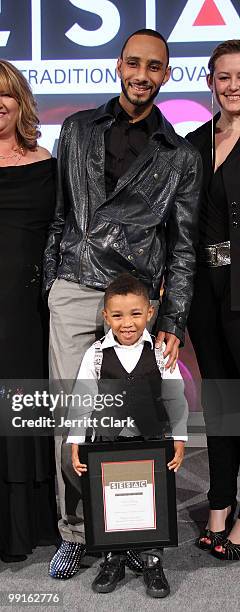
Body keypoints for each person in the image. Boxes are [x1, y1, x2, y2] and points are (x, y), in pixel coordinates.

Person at [44, 28, 202, 578]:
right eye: (133, 63)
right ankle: (74, 532)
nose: (142, 75)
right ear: (117, 65)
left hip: (135, 300)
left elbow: (184, 248)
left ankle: (134, 530)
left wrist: (173, 319)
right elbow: (61, 213)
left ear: (166, 74)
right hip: (72, 286)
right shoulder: (77, 128)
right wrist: (52, 281)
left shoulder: (179, 154)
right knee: (74, 416)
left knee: (140, 421)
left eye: (154, 66)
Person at [68, 273, 188, 598]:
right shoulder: (95, 355)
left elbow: (176, 398)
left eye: (135, 314)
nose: (127, 323)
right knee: (112, 501)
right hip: (109, 443)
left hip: (150, 440)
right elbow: (82, 400)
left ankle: (152, 560)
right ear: (105, 316)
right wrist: (75, 441)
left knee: (151, 501)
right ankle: (113, 558)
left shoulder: (161, 352)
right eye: (117, 315)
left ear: (149, 312)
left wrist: (179, 437)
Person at [0, 60, 58, 561]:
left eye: (5, 95)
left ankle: (28, 524)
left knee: (20, 406)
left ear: (20, 102)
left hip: (25, 308)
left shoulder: (46, 162)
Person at [186, 40, 240, 561]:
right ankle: (221, 503)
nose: (233, 85)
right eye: (223, 76)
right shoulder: (194, 142)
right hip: (206, 290)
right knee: (223, 404)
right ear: (210, 82)